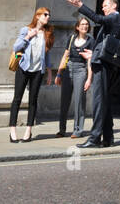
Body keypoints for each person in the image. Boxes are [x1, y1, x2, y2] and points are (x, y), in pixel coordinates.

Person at [66, 0, 120, 148]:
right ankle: (108, 138)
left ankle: (94, 138)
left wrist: (81, 5)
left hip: (104, 65)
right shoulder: (114, 21)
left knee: (99, 102)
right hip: (103, 63)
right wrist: (94, 54)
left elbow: (98, 19)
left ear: (114, 6)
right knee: (104, 101)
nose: (103, 8)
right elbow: (108, 45)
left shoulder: (114, 17)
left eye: (105, 5)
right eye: (102, 6)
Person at [8, 8, 54, 142]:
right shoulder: (26, 30)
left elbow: (48, 53)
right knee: (17, 99)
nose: (48, 17)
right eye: (45, 15)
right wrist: (28, 37)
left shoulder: (47, 33)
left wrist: (49, 72)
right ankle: (12, 130)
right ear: (38, 16)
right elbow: (16, 47)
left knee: (33, 100)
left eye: (49, 15)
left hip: (38, 71)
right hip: (24, 68)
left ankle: (28, 131)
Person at [55, 15, 95, 139]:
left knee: (79, 101)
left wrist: (89, 78)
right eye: (82, 24)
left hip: (81, 70)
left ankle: (78, 130)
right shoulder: (71, 38)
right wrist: (59, 73)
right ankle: (62, 129)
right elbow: (65, 56)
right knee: (64, 101)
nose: (85, 26)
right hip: (68, 70)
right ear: (77, 27)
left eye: (86, 24)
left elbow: (90, 61)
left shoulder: (90, 40)